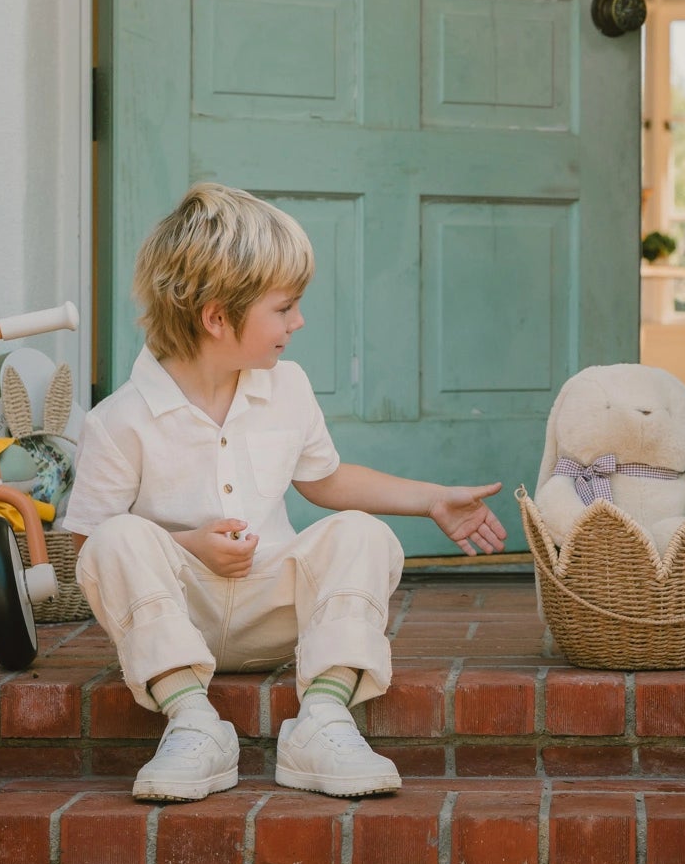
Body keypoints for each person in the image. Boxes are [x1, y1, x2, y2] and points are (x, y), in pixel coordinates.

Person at [65, 183, 506, 804]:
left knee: (363, 533)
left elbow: (325, 480)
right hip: (175, 615)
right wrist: (189, 546)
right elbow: (87, 546)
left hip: (276, 612)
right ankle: (193, 722)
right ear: (217, 317)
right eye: (285, 308)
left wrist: (432, 499)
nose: (298, 322)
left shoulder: (287, 386)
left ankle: (323, 720)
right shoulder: (120, 419)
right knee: (116, 538)